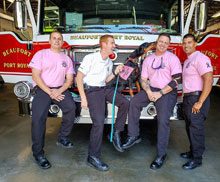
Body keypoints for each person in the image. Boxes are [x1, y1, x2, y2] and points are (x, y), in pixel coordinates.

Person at [122, 33, 182, 170]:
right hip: (152, 89)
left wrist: (159, 93)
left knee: (163, 121)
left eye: (166, 43)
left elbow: (177, 80)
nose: (163, 44)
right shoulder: (149, 59)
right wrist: (149, 92)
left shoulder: (172, 58)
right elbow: (143, 79)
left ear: (168, 45)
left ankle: (161, 155)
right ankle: (133, 135)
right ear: (156, 42)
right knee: (134, 102)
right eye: (161, 41)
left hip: (166, 92)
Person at [76, 34, 129, 172]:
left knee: (125, 103)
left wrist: (116, 72)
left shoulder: (109, 62)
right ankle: (93, 157)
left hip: (104, 89)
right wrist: (83, 98)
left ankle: (117, 132)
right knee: (98, 122)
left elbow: (106, 80)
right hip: (92, 91)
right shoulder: (90, 58)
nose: (114, 45)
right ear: (103, 44)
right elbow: (79, 77)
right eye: (112, 43)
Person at [29, 31, 76, 169]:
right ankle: (38, 154)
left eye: (59, 39)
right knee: (38, 119)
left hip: (60, 89)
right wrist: (50, 92)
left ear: (62, 42)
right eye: (54, 38)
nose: (56, 40)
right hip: (43, 89)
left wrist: (58, 91)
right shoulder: (41, 54)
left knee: (71, 109)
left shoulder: (67, 59)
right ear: (49, 41)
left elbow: (69, 80)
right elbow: (35, 76)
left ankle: (62, 137)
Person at [180, 34, 213, 170]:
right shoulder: (188, 60)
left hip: (197, 97)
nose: (186, 45)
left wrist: (200, 102)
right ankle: (193, 151)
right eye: (184, 43)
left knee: (196, 128)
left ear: (195, 44)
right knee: (189, 126)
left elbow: (208, 79)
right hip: (188, 98)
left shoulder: (200, 58)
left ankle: (197, 159)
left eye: (189, 42)